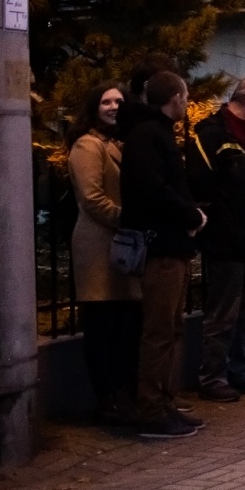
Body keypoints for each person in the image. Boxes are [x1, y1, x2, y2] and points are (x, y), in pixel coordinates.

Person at [120, 71, 206, 439]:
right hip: (162, 247)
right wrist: (190, 215)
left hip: (173, 244)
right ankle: (151, 410)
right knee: (159, 332)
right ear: (174, 97)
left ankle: (165, 403)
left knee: (172, 328)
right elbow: (156, 189)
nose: (187, 104)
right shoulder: (147, 136)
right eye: (185, 96)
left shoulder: (155, 134)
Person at [187, 76, 245, 400]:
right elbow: (202, 186)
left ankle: (239, 371)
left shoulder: (244, 137)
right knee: (224, 311)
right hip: (226, 240)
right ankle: (212, 377)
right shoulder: (213, 135)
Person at [67, 83, 142, 423]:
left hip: (123, 246)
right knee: (102, 326)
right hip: (99, 246)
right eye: (106, 101)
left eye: (119, 101)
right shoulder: (87, 144)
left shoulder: (121, 143)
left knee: (125, 327)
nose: (113, 106)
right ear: (94, 107)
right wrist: (129, 219)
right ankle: (107, 398)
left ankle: (123, 394)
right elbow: (91, 198)